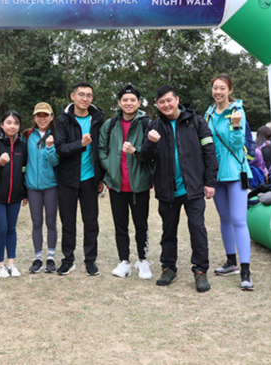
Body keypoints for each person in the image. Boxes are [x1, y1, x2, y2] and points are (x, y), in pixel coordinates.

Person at [141, 85, 218, 292]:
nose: (166, 105)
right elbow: (145, 156)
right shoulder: (154, 126)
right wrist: (150, 142)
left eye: (169, 100)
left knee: (197, 229)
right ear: (157, 105)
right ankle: (168, 268)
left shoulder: (196, 122)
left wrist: (210, 182)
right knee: (168, 232)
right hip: (167, 190)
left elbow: (210, 152)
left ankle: (200, 271)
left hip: (193, 189)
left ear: (177, 100)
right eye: (161, 102)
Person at [98, 84, 153, 280]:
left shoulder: (147, 124)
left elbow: (152, 152)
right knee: (120, 226)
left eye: (133, 100)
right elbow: (101, 150)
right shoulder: (110, 124)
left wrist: (135, 152)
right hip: (116, 185)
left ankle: (142, 260)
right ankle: (124, 261)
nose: (129, 103)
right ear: (119, 103)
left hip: (140, 185)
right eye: (125, 100)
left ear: (139, 103)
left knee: (141, 225)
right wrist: (111, 167)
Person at [205, 74, 255, 291]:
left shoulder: (237, 111)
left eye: (222, 88)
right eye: (215, 88)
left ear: (230, 90)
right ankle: (231, 262)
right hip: (216, 174)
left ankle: (245, 271)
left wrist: (235, 125)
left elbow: (237, 145)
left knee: (239, 220)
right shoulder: (208, 113)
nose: (218, 92)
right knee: (224, 218)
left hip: (235, 172)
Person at [55, 81, 105, 276]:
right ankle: (68, 260)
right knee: (68, 222)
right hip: (67, 179)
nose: (85, 98)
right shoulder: (63, 120)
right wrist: (80, 144)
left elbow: (101, 149)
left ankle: (90, 261)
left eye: (89, 95)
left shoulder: (98, 119)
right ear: (73, 96)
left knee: (91, 222)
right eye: (81, 94)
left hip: (90, 179)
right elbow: (60, 149)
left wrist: (101, 177)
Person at [0, 111, 28, 278]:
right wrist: (0, 162)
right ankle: (0, 265)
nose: (12, 126)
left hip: (15, 196)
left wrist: (25, 192)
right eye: (9, 122)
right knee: (1, 229)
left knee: (12, 229)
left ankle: (11, 264)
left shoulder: (22, 146)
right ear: (2, 125)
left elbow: (24, 169)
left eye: (16, 123)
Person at [23, 102, 59, 274]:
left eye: (46, 115)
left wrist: (50, 147)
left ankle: (51, 258)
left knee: (51, 222)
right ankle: (38, 258)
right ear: (34, 117)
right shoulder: (27, 135)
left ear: (52, 117)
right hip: (32, 187)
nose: (42, 119)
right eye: (39, 115)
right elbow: (24, 161)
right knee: (36, 222)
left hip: (51, 186)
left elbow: (55, 162)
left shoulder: (58, 135)